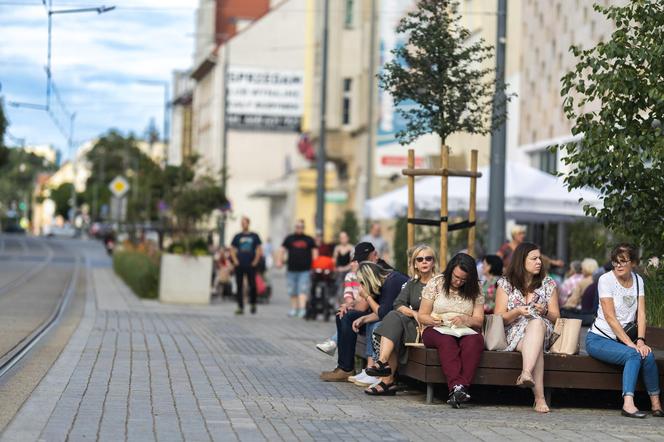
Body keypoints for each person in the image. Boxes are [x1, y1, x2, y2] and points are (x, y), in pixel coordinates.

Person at [585, 243, 662, 419]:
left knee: (648, 355)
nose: (618, 265)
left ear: (633, 263)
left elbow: (641, 313)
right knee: (634, 354)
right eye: (615, 261)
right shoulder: (606, 280)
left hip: (624, 340)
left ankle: (656, 405)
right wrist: (631, 344)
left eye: (623, 261)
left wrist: (641, 340)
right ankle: (628, 404)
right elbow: (610, 317)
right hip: (599, 339)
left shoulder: (638, 281)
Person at [494, 242, 560, 413]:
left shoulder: (548, 283)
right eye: (534, 258)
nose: (539, 262)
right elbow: (499, 317)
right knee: (535, 350)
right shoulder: (505, 283)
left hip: (542, 329)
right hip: (514, 331)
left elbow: (556, 317)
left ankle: (526, 373)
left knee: (537, 324)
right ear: (521, 261)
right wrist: (516, 312)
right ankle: (539, 398)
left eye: (539, 258)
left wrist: (544, 311)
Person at [364, 245, 436, 395]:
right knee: (393, 320)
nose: (424, 262)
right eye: (420, 259)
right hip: (412, 323)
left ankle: (386, 378)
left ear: (433, 262)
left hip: (428, 326)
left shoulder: (439, 283)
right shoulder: (412, 284)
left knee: (392, 323)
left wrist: (421, 316)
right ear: (415, 263)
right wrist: (414, 313)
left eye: (428, 259)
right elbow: (398, 304)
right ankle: (384, 367)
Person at [319, 262, 408, 383]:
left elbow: (383, 313)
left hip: (402, 321)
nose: (361, 286)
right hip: (390, 316)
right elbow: (381, 311)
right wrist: (362, 318)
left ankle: (373, 370)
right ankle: (345, 368)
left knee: (375, 325)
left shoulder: (392, 282)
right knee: (345, 316)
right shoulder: (383, 282)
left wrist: (367, 296)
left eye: (362, 283)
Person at [419, 253, 485, 408]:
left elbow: (479, 320)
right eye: (456, 277)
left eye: (463, 280)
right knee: (446, 341)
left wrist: (466, 319)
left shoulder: (476, 287)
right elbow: (422, 315)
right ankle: (458, 386)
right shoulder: (436, 283)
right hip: (436, 328)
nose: (458, 282)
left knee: (475, 341)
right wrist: (434, 320)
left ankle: (458, 389)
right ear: (450, 271)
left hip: (464, 329)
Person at [277, 220, 318, 318]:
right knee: (292, 291)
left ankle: (302, 310)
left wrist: (315, 265)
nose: (299, 228)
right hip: (291, 270)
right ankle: (294, 309)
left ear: (304, 228)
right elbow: (282, 250)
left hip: (305, 270)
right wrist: (279, 260)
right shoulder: (289, 238)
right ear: (295, 227)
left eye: (301, 227)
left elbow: (315, 252)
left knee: (302, 290)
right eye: (297, 227)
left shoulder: (309, 239)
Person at [230, 216, 262, 315]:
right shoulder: (237, 236)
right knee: (239, 286)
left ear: (248, 223)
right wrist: (235, 260)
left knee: (252, 285)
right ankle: (240, 306)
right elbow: (232, 249)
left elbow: (258, 249)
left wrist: (256, 261)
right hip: (240, 264)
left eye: (245, 223)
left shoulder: (254, 236)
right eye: (242, 223)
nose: (244, 224)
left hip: (251, 264)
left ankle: (253, 303)